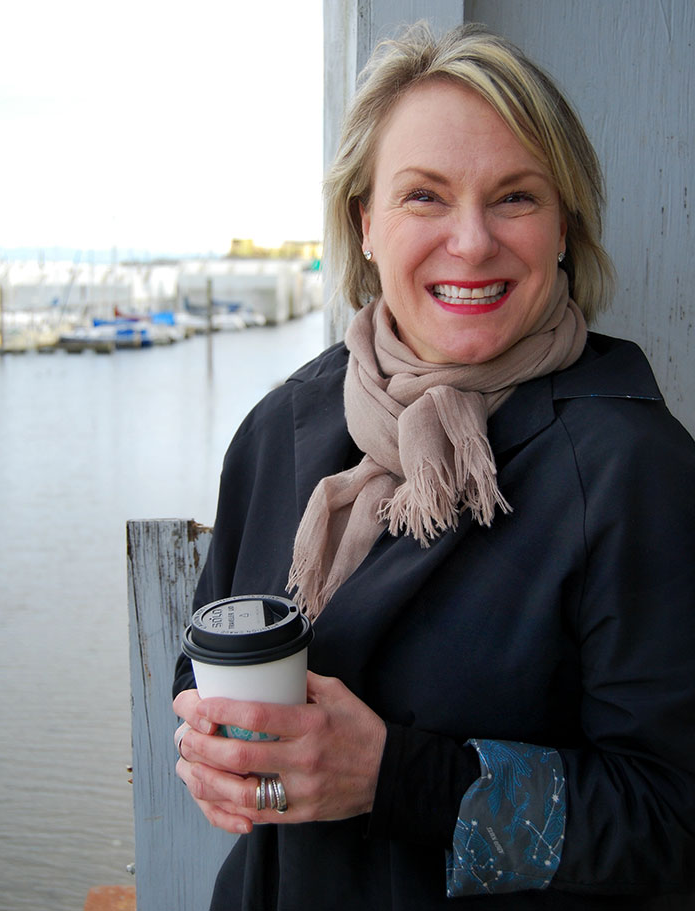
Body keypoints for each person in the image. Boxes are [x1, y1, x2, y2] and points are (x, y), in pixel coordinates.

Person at [172, 22, 695, 910]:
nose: (471, 241)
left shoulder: (630, 467)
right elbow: (210, 659)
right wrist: (215, 749)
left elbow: (672, 817)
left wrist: (395, 778)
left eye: (516, 198)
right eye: (424, 196)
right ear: (365, 224)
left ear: (564, 225)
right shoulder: (284, 426)